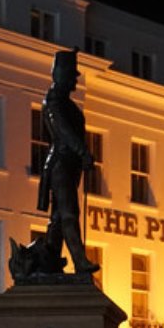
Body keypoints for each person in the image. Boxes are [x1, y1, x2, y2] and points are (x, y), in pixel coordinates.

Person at [37, 48, 100, 274]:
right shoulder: (54, 101)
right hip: (61, 164)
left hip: (69, 165)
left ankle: (50, 258)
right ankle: (79, 260)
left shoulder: (66, 103)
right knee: (68, 212)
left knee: (57, 218)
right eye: (72, 74)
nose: (75, 79)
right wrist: (82, 151)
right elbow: (63, 131)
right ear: (61, 73)